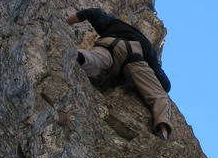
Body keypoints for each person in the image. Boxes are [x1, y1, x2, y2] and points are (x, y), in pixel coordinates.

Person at [66, 8, 172, 140]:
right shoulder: (149, 48)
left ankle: (76, 55)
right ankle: (163, 129)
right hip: (134, 58)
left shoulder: (114, 23)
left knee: (94, 60)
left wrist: (65, 23)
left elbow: (92, 13)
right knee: (159, 96)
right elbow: (165, 85)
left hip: (108, 45)